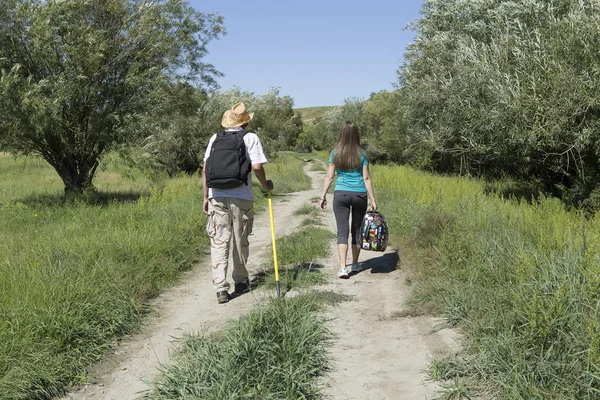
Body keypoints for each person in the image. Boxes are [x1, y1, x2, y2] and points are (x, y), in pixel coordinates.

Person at [202, 102, 273, 304]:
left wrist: (206, 197)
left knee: (218, 241)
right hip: (241, 195)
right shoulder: (250, 138)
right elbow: (257, 167)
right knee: (240, 239)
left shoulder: (215, 138)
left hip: (217, 195)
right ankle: (241, 281)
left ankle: (220, 289)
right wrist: (266, 186)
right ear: (245, 123)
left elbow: (205, 169)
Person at [319, 121, 377, 278]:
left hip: (341, 194)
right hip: (359, 195)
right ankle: (356, 264)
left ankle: (343, 267)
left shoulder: (335, 153)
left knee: (342, 232)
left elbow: (329, 176)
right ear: (356, 134)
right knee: (357, 231)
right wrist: (373, 199)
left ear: (342, 134)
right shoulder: (363, 154)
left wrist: (323, 196)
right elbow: (366, 178)